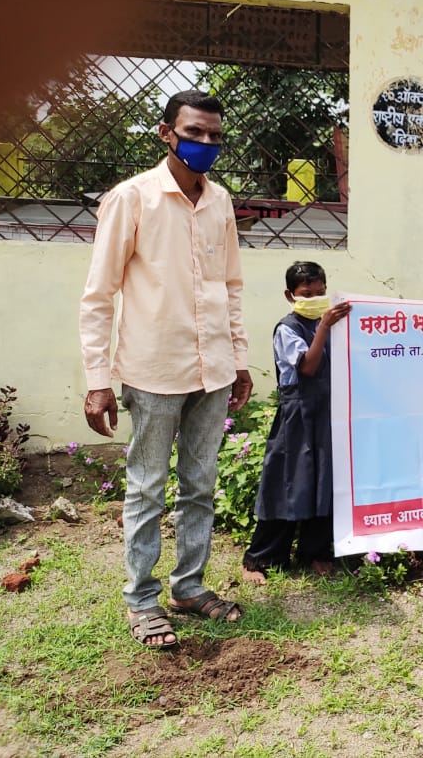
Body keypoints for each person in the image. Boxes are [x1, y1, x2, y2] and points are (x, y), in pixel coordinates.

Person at [79, 89, 251, 649]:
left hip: (213, 371)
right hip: (153, 370)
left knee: (200, 485)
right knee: (148, 487)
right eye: (194, 133)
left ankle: (190, 587)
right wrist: (97, 380)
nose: (205, 144)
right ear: (166, 133)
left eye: (214, 136)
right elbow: (99, 295)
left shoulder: (219, 202)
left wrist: (239, 359)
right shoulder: (132, 200)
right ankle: (142, 601)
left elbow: (230, 287)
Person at [241, 262, 351, 585]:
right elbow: (308, 367)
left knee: (323, 483)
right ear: (290, 295)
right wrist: (326, 328)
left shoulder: (331, 324)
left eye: (320, 293)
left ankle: (314, 553)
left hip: (326, 414)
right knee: (288, 485)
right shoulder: (287, 329)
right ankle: (261, 558)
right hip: (297, 416)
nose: (316, 298)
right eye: (307, 294)